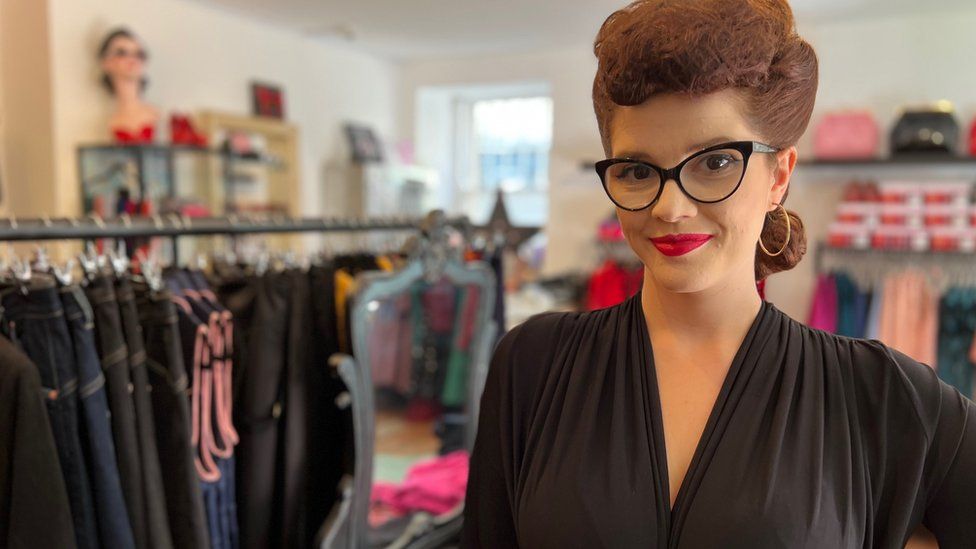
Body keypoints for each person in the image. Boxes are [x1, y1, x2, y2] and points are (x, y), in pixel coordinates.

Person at [461, 1, 976, 547]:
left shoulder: (880, 397)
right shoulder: (533, 366)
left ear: (779, 175)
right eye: (637, 171)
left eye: (715, 162)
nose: (671, 208)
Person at [99, 28, 159, 144]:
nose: (132, 59)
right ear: (106, 62)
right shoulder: (108, 121)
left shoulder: (158, 115)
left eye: (138, 54)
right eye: (122, 53)